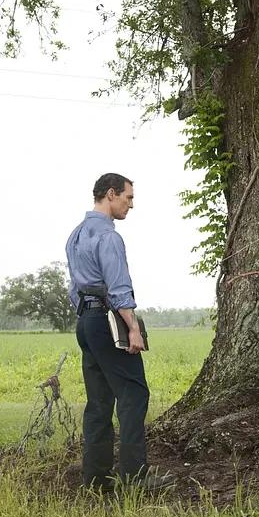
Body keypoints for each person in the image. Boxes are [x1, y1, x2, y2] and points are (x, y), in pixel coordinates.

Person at [65, 172, 163, 490]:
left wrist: (88, 317)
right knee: (134, 393)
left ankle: (96, 477)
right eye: (128, 197)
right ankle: (136, 477)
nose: (130, 205)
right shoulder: (109, 237)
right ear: (111, 194)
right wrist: (132, 328)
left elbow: (73, 288)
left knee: (99, 400)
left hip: (86, 322)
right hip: (108, 321)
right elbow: (120, 288)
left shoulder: (76, 235)